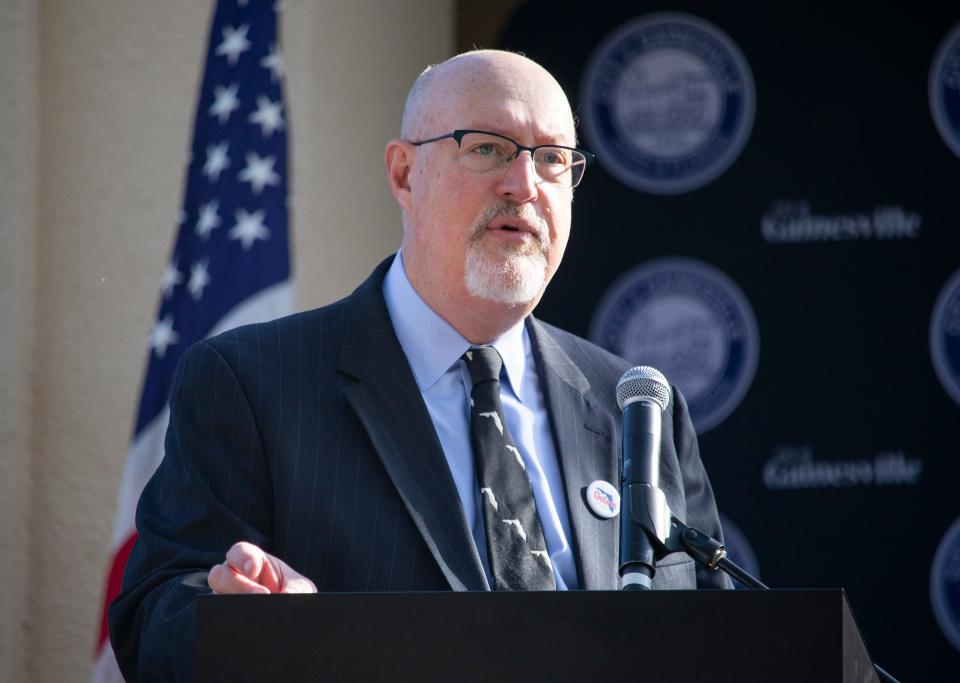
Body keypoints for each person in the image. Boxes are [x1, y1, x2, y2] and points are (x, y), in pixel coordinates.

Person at [109, 49, 731, 680]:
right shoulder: (252, 383)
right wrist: (258, 628)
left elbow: (719, 640)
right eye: (488, 148)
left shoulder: (636, 408)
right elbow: (155, 623)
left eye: (551, 160)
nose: (524, 184)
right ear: (404, 174)